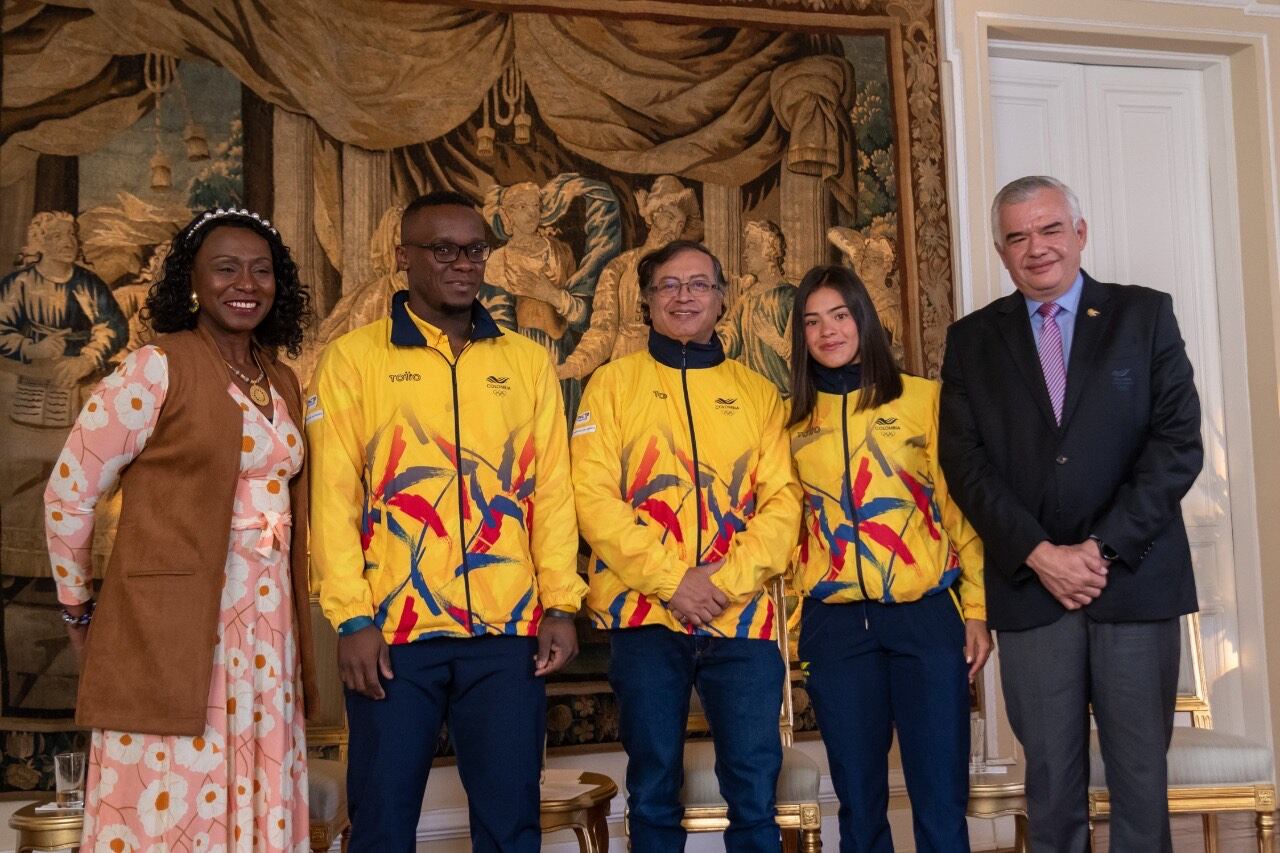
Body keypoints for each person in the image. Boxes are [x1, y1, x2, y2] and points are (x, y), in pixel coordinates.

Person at [307, 190, 586, 852]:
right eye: (443, 249)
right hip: (392, 633)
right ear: (404, 256)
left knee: (511, 825)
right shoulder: (353, 361)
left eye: (475, 249)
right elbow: (333, 500)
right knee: (380, 822)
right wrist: (352, 618)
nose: (463, 263)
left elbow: (550, 490)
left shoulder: (525, 360)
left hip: (507, 631)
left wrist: (561, 604)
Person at [939, 175, 1203, 852]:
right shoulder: (972, 340)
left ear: (1080, 233)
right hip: (1032, 590)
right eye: (1018, 236)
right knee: (1051, 787)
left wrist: (1100, 549)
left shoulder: (1144, 316)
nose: (1037, 248)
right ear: (1001, 252)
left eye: (1051, 229)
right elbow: (965, 465)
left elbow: (1177, 444)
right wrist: (1040, 553)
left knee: (1141, 784)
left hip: (1135, 582)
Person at [44, 207, 317, 851]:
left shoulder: (281, 380)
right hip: (174, 621)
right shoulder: (154, 368)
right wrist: (77, 606)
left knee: (261, 775)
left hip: (268, 627)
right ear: (191, 283)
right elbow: (69, 492)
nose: (244, 282)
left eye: (260, 270)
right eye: (224, 268)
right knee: (175, 791)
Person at [571, 239, 800, 851]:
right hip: (645, 617)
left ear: (722, 299)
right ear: (647, 301)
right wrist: (676, 582)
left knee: (754, 791)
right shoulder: (611, 385)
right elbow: (593, 500)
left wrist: (719, 584)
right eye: (669, 285)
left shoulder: (757, 393)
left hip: (742, 619)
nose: (684, 296)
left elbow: (783, 507)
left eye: (699, 284)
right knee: (652, 788)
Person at [787, 264, 989, 852]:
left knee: (941, 794)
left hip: (925, 616)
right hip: (836, 625)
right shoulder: (789, 420)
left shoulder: (925, 400)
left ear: (865, 320)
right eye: (812, 321)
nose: (828, 332)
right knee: (858, 798)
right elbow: (784, 525)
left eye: (840, 315)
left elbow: (959, 511)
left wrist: (975, 608)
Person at [558, 175, 702, 382]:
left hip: (668, 373)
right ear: (653, 215)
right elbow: (603, 330)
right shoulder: (619, 267)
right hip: (624, 371)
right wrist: (572, 366)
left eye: (679, 224)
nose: (673, 230)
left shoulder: (687, 276)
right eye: (669, 218)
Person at [718, 219, 796, 396]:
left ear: (771, 250)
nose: (745, 254)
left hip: (787, 402)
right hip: (752, 399)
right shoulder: (746, 299)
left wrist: (777, 342)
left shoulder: (792, 298)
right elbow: (727, 345)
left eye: (751, 246)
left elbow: (807, 360)